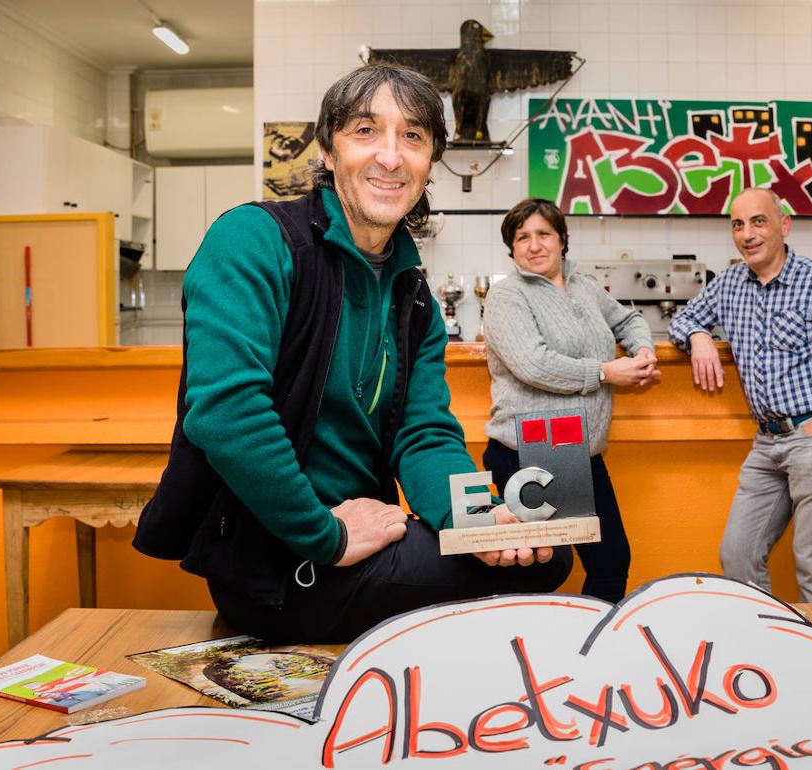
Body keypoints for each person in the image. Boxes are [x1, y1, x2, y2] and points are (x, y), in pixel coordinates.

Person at [134, 65, 571, 643]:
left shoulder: (412, 295)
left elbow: (426, 436)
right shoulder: (255, 239)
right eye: (367, 130)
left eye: (413, 137)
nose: (390, 157)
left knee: (544, 552)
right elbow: (227, 412)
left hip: (364, 536)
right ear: (329, 149)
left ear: (430, 159)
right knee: (542, 572)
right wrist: (326, 536)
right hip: (280, 560)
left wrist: (477, 519)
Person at [668, 187, 812, 603]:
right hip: (767, 442)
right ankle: (764, 647)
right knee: (738, 553)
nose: (747, 234)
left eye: (758, 221)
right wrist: (698, 336)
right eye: (738, 224)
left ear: (784, 225)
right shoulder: (729, 283)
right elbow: (684, 318)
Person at [482, 198, 658, 604]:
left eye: (543, 233)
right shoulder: (507, 295)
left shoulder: (584, 286)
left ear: (562, 239)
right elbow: (533, 364)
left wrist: (642, 350)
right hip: (525, 453)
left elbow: (628, 320)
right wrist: (605, 371)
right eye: (522, 237)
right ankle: (530, 658)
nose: (534, 244)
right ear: (512, 248)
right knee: (535, 570)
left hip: (581, 453)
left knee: (611, 562)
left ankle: (590, 655)